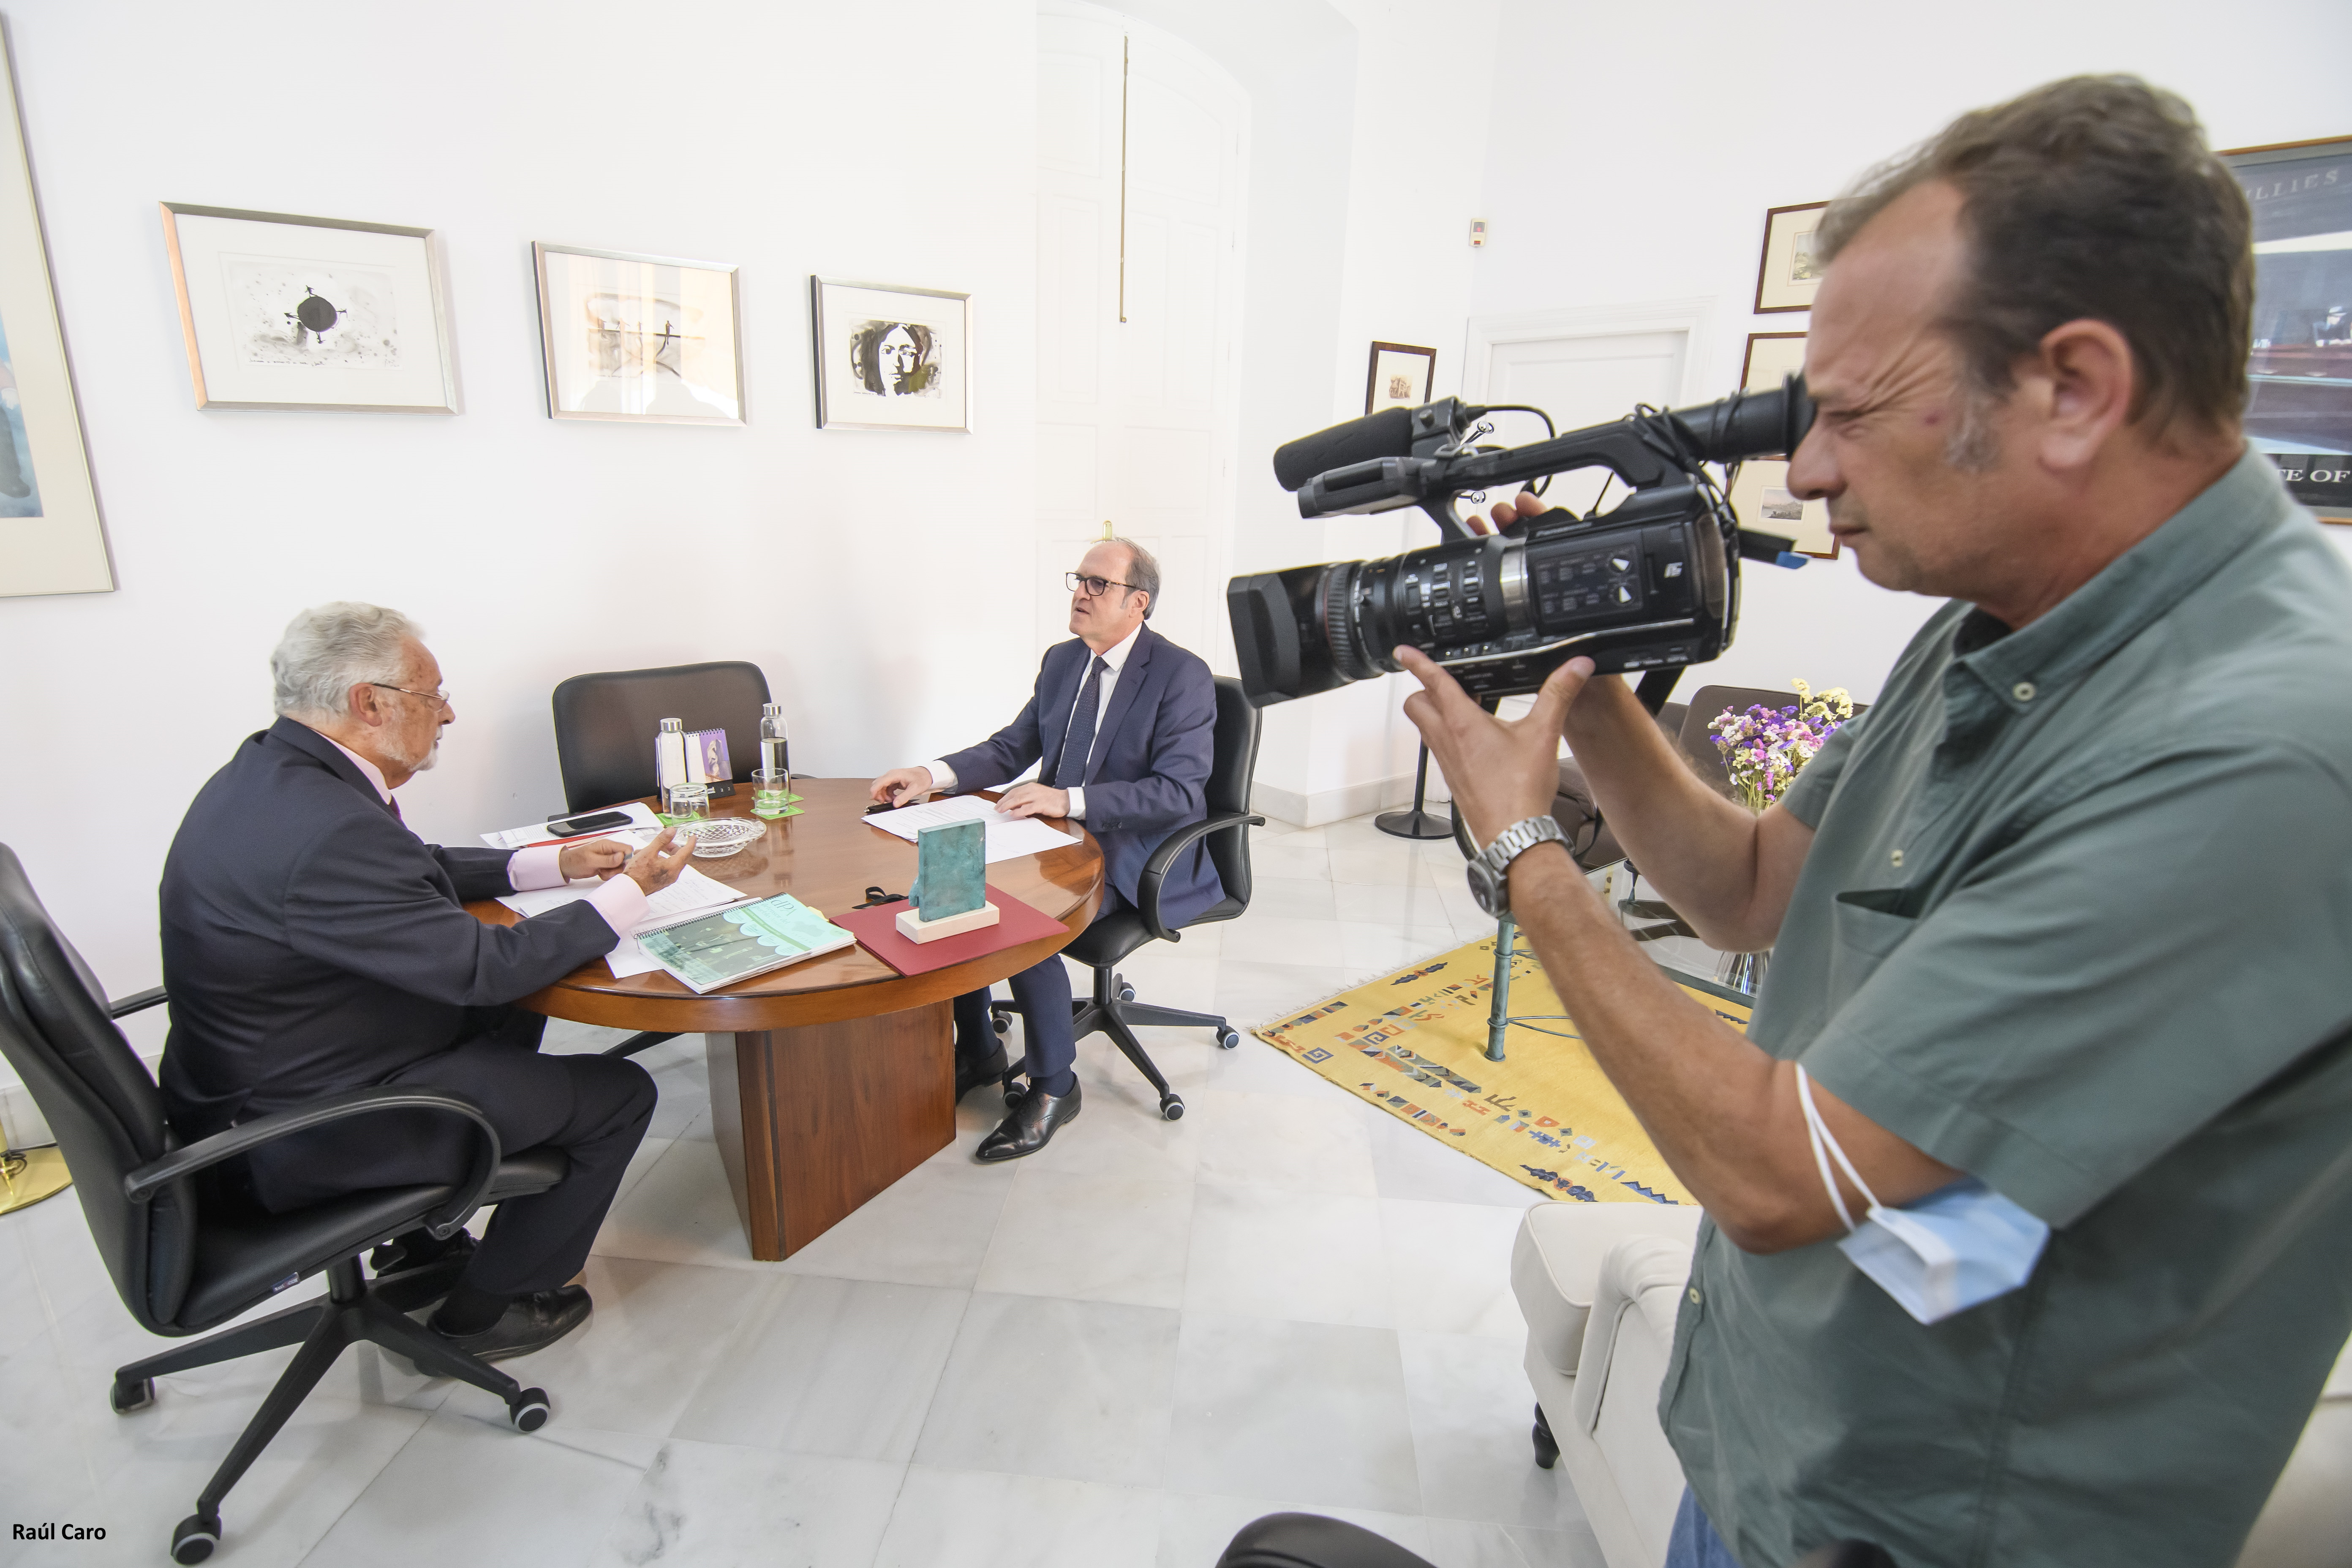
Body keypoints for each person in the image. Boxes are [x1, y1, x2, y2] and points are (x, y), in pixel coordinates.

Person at [1399, 77, 2352, 1568]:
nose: (1813, 469)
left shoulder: (2257, 748)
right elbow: (1749, 886)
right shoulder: (1992, 620)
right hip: (1772, 1453)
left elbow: (1790, 1178)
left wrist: (1530, 860)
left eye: (1845, 412)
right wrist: (1574, 683)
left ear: (2073, 389)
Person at [159, 602, 696, 1361]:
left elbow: (407, 869)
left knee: (512, 1020)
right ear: (368, 703)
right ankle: (488, 1310)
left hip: (268, 1073)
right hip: (307, 1127)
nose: (447, 713)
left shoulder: (276, 774)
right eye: (431, 695)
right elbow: (484, 968)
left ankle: (412, 1246)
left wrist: (550, 863)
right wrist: (631, 892)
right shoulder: (325, 827)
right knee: (618, 1098)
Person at [871, 538, 1222, 1160]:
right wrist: (933, 774)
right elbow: (1011, 748)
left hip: (1138, 851)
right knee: (947, 884)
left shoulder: (1180, 676)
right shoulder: (1064, 661)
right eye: (1079, 580)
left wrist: (1071, 801)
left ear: (1138, 603)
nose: (1081, 593)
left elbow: (1176, 792)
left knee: (1017, 925)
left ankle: (1057, 1085)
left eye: (1098, 584)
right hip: (1056, 838)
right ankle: (979, 1049)